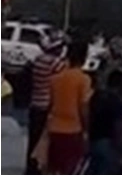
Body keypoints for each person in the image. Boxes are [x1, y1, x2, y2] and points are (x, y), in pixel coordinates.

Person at [47, 41, 93, 174]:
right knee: (69, 169)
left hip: (54, 128)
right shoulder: (84, 80)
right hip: (73, 130)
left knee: (52, 168)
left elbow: (50, 104)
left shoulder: (55, 79)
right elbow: (83, 107)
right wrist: (86, 130)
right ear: (84, 57)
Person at [26, 32, 67, 175]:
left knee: (33, 139)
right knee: (43, 143)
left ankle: (30, 169)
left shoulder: (38, 60)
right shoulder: (55, 63)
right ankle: (39, 168)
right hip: (47, 105)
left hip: (35, 103)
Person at [87, 69, 122, 175]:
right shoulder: (117, 101)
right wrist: (119, 146)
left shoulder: (96, 96)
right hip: (107, 142)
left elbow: (88, 115)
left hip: (92, 140)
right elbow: (118, 126)